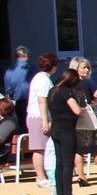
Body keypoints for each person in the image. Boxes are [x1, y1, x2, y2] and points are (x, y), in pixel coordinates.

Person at [45, 66, 87, 195]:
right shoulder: (66, 91)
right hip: (67, 130)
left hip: (55, 128)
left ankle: (60, 194)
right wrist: (83, 109)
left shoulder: (53, 90)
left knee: (60, 163)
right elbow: (76, 110)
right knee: (68, 163)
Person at [70, 57, 97, 187]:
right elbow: (90, 102)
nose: (86, 70)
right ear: (76, 68)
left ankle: (81, 176)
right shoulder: (83, 83)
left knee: (78, 150)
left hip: (75, 119)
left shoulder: (68, 83)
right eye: (83, 67)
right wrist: (96, 99)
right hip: (88, 119)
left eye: (87, 67)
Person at [26, 52, 58, 186]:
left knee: (43, 148)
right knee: (39, 148)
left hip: (38, 115)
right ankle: (41, 178)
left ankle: (44, 176)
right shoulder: (43, 80)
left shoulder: (40, 78)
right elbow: (42, 101)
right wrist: (45, 121)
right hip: (38, 116)